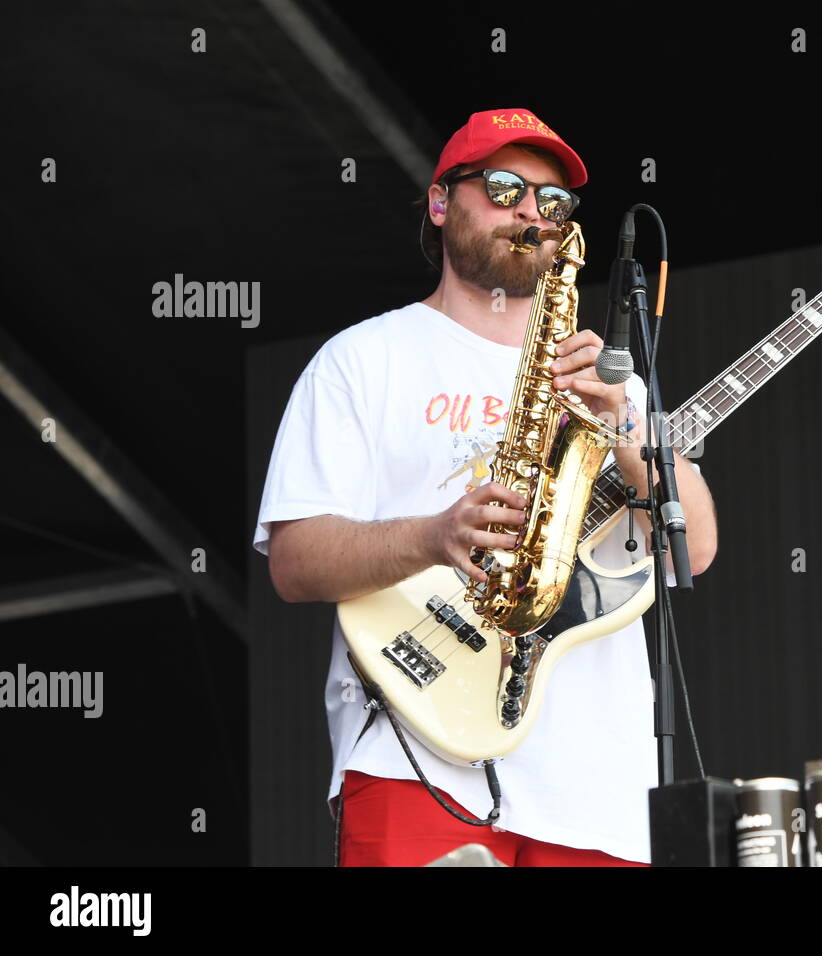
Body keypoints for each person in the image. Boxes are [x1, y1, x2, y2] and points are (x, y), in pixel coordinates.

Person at [252, 108, 717, 867]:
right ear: (441, 203)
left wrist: (626, 427)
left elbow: (693, 546)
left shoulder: (612, 385)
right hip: (415, 755)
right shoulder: (362, 361)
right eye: (504, 188)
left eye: (553, 202)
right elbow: (295, 562)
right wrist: (434, 534)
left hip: (597, 788)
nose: (532, 212)